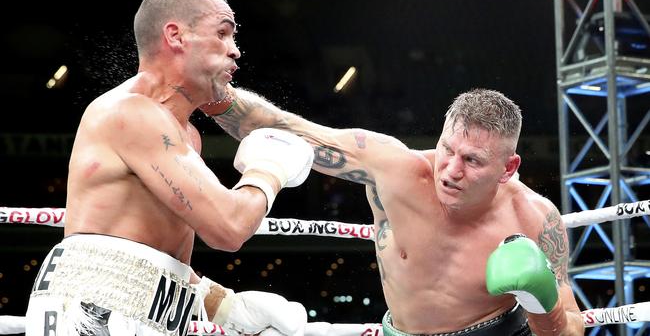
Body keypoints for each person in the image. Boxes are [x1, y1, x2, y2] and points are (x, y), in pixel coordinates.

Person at [25, 0, 314, 336]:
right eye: (222, 34)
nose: (235, 50)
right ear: (176, 36)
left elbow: (158, 255)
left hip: (145, 315)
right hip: (90, 313)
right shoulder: (131, 113)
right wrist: (269, 169)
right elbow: (229, 227)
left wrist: (221, 303)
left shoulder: (186, 135)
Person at [202, 87, 585, 335]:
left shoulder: (535, 217)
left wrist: (542, 301)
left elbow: (570, 328)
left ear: (508, 168)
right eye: (448, 150)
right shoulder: (395, 170)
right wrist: (208, 91)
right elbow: (284, 128)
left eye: (472, 160)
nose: (450, 170)